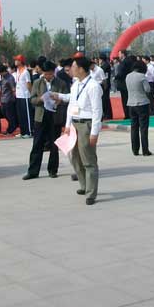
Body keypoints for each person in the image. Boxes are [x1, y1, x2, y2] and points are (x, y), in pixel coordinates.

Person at [55, 57, 102, 205]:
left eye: (74, 67)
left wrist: (94, 132)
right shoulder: (75, 84)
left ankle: (91, 193)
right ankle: (83, 185)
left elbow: (97, 111)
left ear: (81, 69)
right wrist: (67, 125)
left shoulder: (93, 86)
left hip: (86, 125)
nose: (71, 69)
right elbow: (72, 105)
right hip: (75, 124)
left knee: (88, 159)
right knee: (74, 157)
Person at [24, 61, 68, 179]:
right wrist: (41, 99)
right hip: (41, 116)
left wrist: (59, 101)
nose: (48, 76)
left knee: (54, 144)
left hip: (55, 116)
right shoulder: (37, 83)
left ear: (54, 72)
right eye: (46, 74)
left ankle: (52, 170)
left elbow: (66, 98)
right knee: (37, 144)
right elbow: (32, 99)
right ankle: (33, 171)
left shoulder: (61, 83)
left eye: (50, 74)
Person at [126, 60, 152, 156]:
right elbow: (147, 89)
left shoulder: (128, 76)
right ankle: (145, 150)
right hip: (142, 103)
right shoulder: (142, 76)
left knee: (134, 128)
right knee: (143, 128)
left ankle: (135, 150)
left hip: (131, 103)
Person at [14, 55, 33, 138]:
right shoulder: (17, 71)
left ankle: (29, 132)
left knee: (26, 115)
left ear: (21, 61)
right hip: (18, 95)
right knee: (20, 115)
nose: (15, 61)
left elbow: (28, 84)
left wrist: (31, 94)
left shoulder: (26, 72)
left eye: (17, 60)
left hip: (25, 96)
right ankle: (22, 131)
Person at [0, 64, 18, 135]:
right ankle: (12, 126)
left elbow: (13, 89)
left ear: (3, 71)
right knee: (4, 113)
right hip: (3, 99)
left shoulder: (10, 78)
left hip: (9, 99)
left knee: (9, 115)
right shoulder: (3, 77)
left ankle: (11, 128)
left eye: (0, 73)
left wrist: (15, 98)